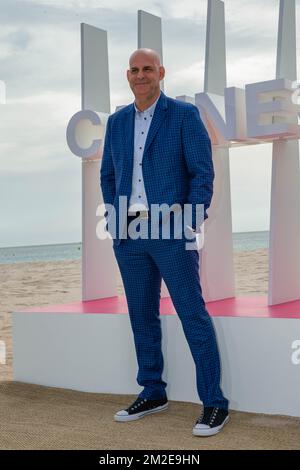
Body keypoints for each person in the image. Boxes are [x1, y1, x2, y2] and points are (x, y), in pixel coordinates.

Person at [100, 48, 229, 437]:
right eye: (135, 70)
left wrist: (190, 221)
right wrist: (114, 216)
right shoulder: (117, 121)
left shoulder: (185, 115)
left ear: (161, 73)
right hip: (130, 235)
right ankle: (153, 391)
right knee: (141, 315)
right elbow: (108, 174)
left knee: (192, 314)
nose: (141, 75)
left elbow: (201, 174)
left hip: (173, 232)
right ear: (128, 75)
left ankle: (214, 404)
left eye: (148, 69)